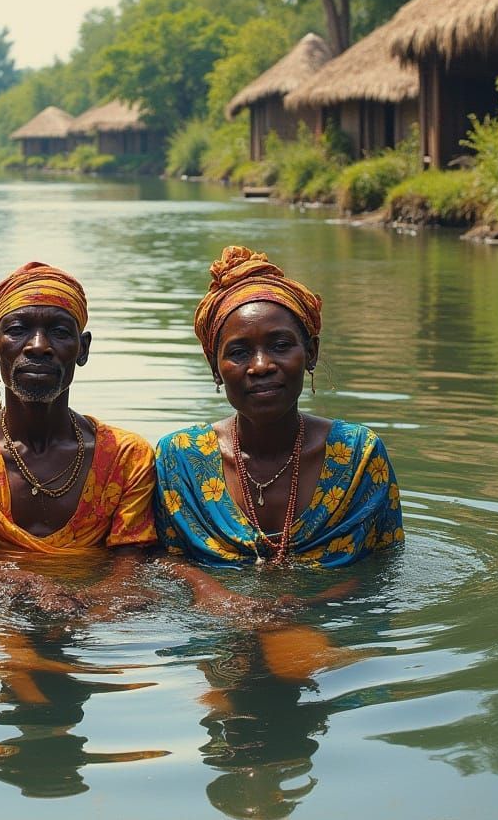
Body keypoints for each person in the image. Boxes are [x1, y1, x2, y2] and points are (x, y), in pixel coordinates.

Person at [156, 245, 403, 608]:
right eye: (239, 352)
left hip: (328, 627)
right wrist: (213, 593)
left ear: (311, 354)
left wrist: (308, 608)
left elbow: (385, 566)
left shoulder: (357, 455)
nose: (261, 366)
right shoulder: (181, 457)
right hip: (218, 635)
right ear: (215, 367)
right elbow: (161, 561)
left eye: (281, 345)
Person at [0, 262, 157, 613]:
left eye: (59, 331)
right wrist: (28, 585)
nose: (38, 346)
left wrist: (84, 606)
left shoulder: (126, 457)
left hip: (92, 617)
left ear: (83, 348)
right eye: (18, 330)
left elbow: (130, 567)